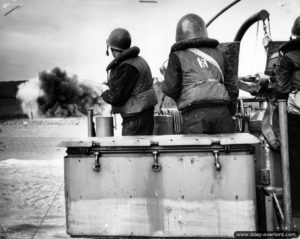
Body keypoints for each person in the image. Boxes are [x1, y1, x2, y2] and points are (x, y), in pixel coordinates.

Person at [162, 14, 238, 134]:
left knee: (196, 151)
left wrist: (166, 76)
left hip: (194, 115)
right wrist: (230, 112)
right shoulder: (220, 54)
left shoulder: (176, 55)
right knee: (228, 151)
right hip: (222, 112)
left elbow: (171, 89)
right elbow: (232, 87)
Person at [101, 28, 157, 136]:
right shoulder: (139, 60)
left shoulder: (126, 66)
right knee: (142, 152)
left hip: (135, 120)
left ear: (112, 49)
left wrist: (104, 90)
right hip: (145, 116)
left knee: (130, 152)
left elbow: (116, 98)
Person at [274, 16, 300, 220]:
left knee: (295, 159)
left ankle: (296, 212)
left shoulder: (288, 56)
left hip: (296, 117)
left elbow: (281, 88)